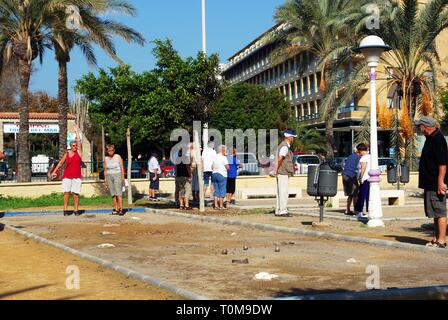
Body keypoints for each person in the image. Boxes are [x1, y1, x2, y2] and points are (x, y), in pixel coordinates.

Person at [415, 116, 447, 249]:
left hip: (436, 182)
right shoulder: (430, 138)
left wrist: (440, 182)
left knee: (439, 211)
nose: (418, 128)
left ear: (425, 126)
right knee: (433, 212)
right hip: (429, 183)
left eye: (419, 126)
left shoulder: (438, 139)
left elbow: (443, 164)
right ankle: (436, 237)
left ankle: (441, 240)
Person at [51, 125, 82, 216]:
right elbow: (60, 163)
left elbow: (79, 142)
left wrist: (76, 131)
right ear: (70, 146)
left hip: (77, 176)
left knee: (75, 194)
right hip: (67, 176)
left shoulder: (79, 153)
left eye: (76, 146)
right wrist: (54, 171)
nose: (75, 147)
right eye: (73, 146)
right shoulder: (67, 154)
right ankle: (65, 210)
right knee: (66, 193)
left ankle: (76, 210)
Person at [274, 130, 297, 217]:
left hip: (281, 172)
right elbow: (280, 159)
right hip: (283, 172)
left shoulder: (283, 145)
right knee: (283, 191)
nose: (293, 139)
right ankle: (282, 210)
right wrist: (276, 170)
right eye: (293, 137)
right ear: (289, 137)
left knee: (280, 192)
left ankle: (278, 210)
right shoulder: (284, 147)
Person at [103, 145, 125, 215]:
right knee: (113, 193)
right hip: (109, 176)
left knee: (118, 192)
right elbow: (105, 170)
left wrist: (123, 178)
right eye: (109, 150)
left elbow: (122, 168)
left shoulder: (118, 157)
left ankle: (121, 208)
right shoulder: (105, 158)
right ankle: (116, 208)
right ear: (107, 151)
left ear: (114, 150)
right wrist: (105, 180)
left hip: (117, 175)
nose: (110, 152)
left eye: (112, 150)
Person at [342, 144, 363, 216]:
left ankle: (348, 210)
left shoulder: (350, 156)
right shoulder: (358, 157)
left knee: (350, 194)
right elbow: (361, 167)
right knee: (355, 193)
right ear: (358, 151)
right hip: (351, 175)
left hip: (344, 175)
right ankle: (356, 210)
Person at [354, 144, 370, 220]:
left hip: (365, 178)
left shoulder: (364, 158)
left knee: (361, 195)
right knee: (368, 196)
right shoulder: (370, 156)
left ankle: (359, 211)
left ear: (360, 150)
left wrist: (360, 178)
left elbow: (363, 168)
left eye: (358, 151)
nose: (358, 153)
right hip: (370, 178)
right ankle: (367, 211)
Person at [211, 145, 230, 210]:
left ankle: (216, 205)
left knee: (216, 190)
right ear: (223, 150)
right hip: (222, 174)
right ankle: (221, 206)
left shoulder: (214, 157)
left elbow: (212, 167)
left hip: (214, 174)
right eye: (225, 150)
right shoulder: (223, 157)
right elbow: (227, 167)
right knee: (222, 190)